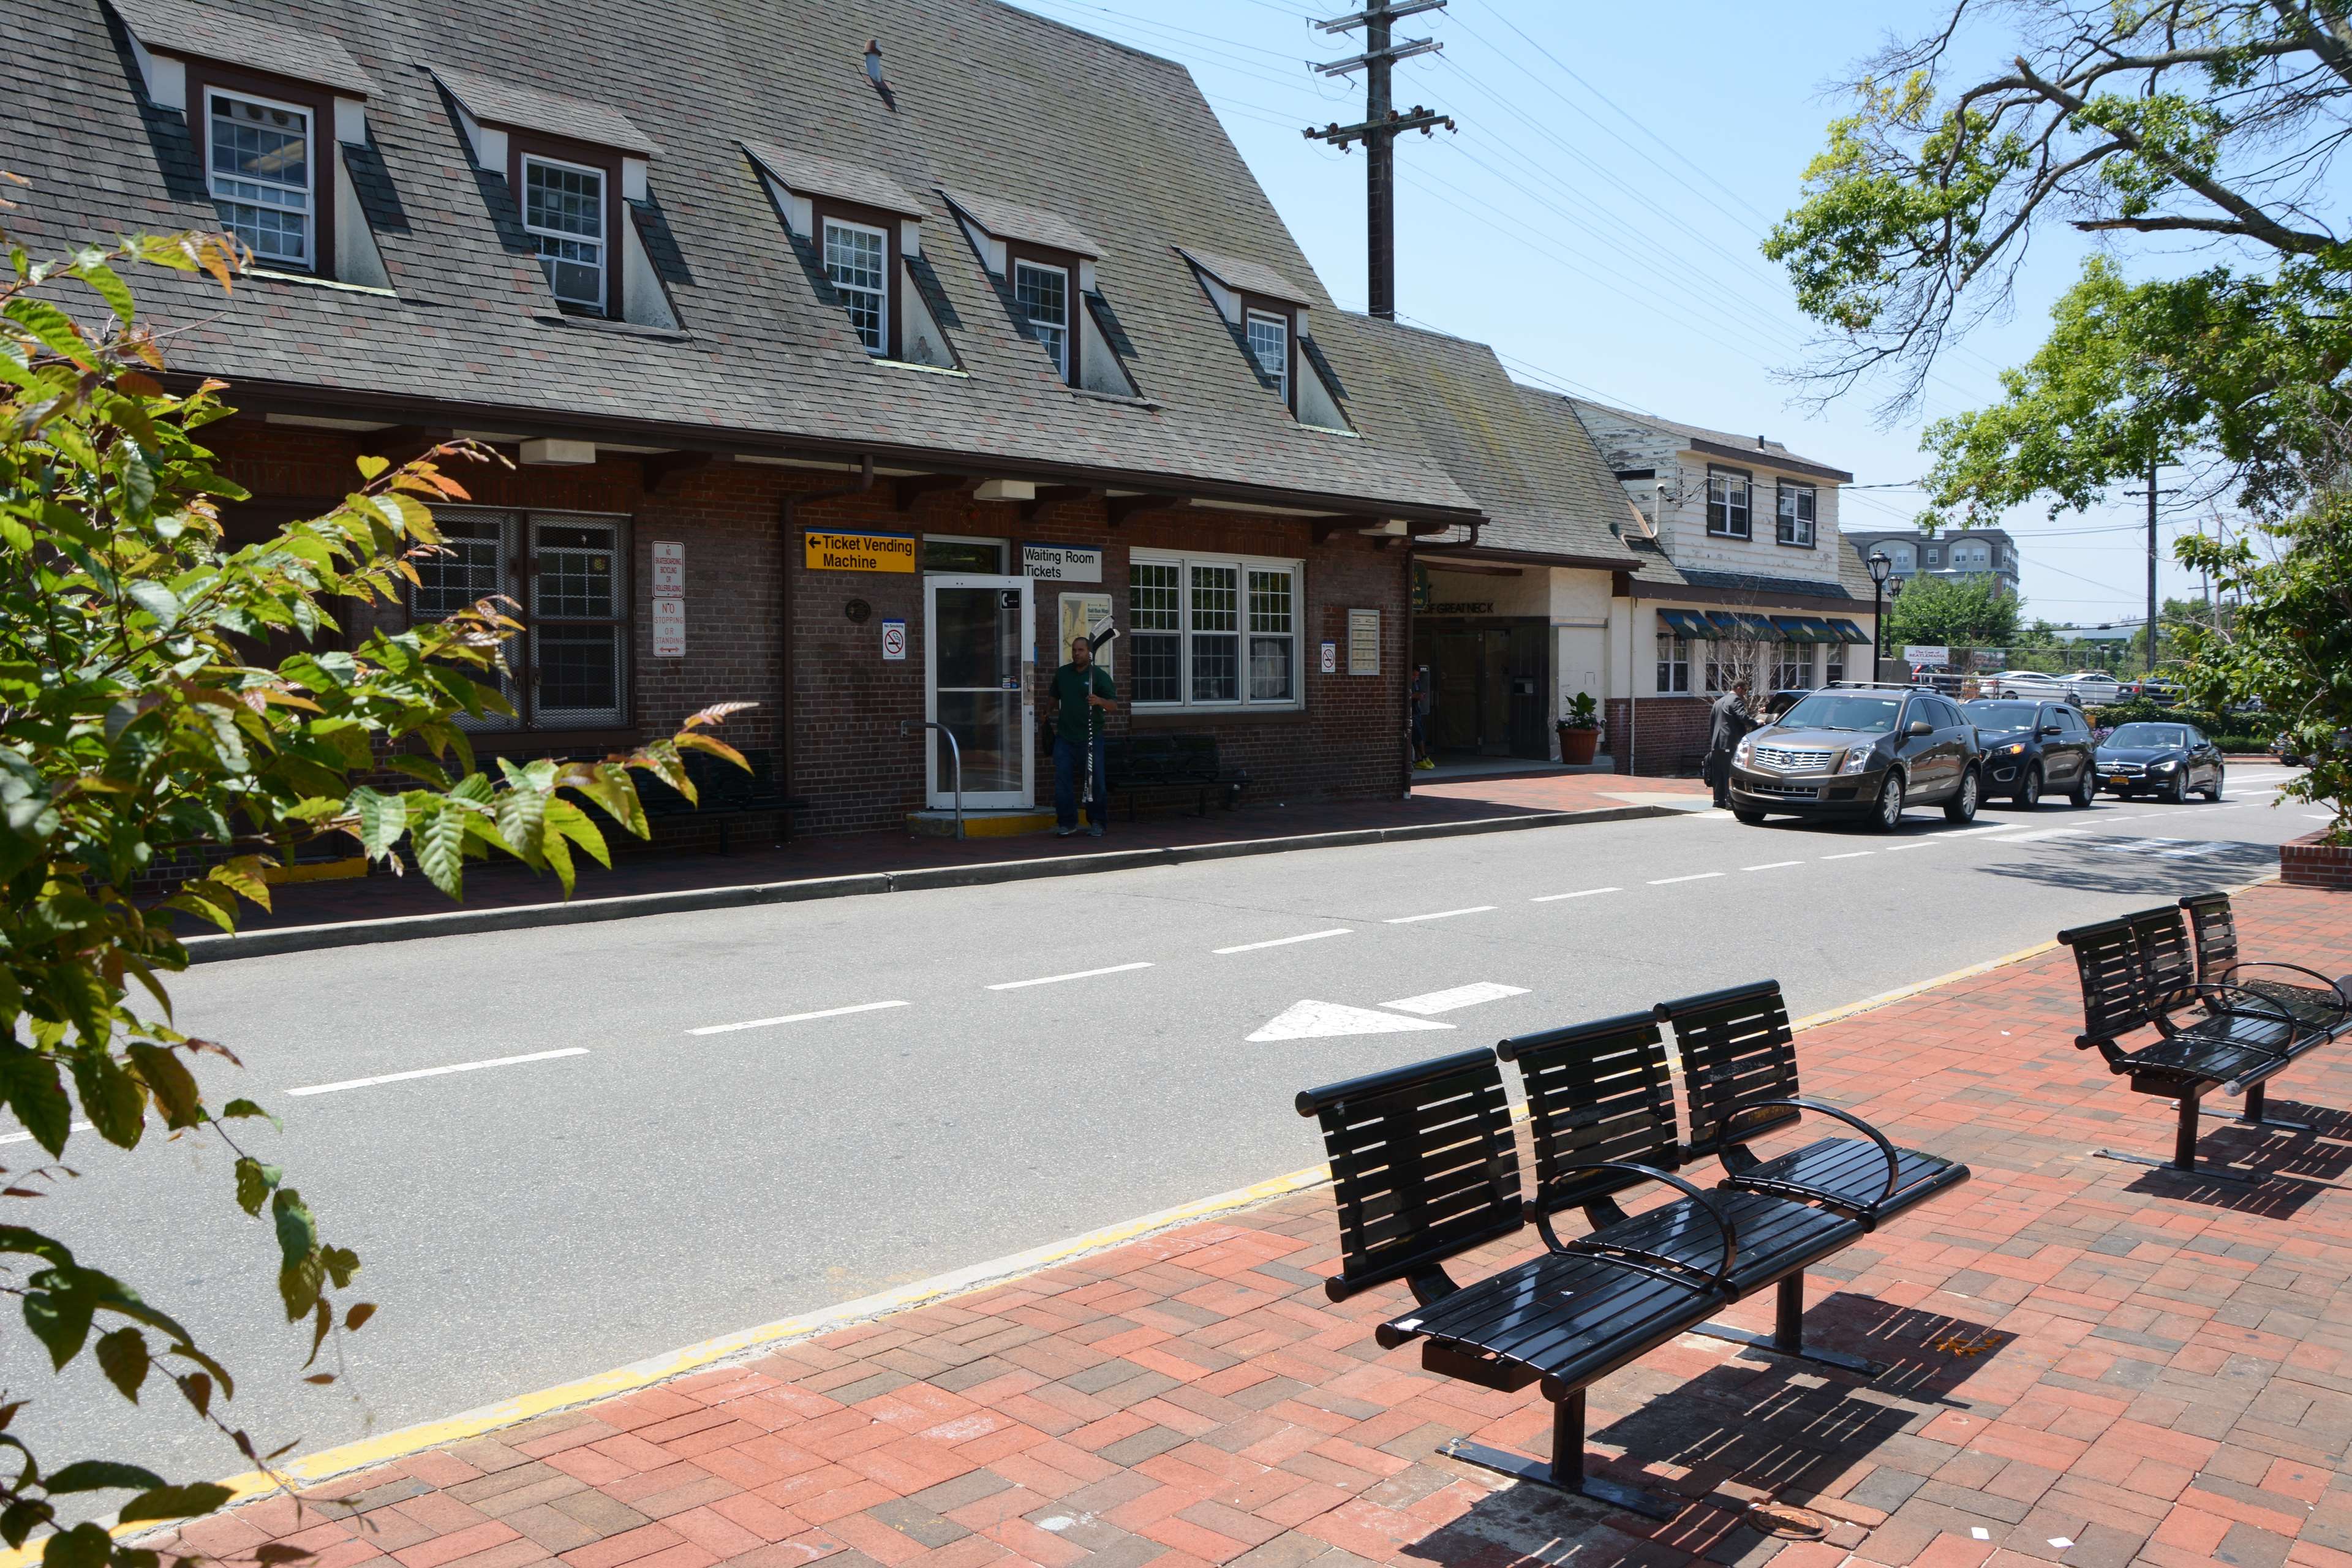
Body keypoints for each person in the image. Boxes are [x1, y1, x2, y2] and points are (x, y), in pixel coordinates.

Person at [1049, 633, 1115, 837]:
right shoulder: (1062, 674)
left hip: (1090, 736)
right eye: (1074, 650)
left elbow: (1114, 705)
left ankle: (1098, 822)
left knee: (1096, 782)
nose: (1076, 654)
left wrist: (1099, 701)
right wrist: (1045, 716)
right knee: (1062, 782)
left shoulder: (1098, 676)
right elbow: (1053, 698)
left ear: (1089, 653)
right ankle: (1067, 823)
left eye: (1081, 650)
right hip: (1065, 737)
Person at [1706, 677, 1754, 809]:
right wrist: (1756, 724)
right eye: (1745, 690)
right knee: (1730, 773)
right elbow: (1742, 717)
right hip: (1730, 742)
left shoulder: (1719, 702)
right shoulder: (1735, 700)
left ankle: (1718, 801)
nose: (1745, 693)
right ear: (1739, 689)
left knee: (1718, 773)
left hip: (1717, 743)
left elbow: (1712, 724)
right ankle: (1729, 802)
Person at [1411, 665, 1436, 769]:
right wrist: (1414, 696)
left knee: (1419, 735)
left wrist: (1421, 695)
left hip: (1417, 711)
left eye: (1417, 676)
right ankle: (1422, 757)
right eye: (1414, 675)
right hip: (1412, 713)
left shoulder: (1416, 683)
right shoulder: (1409, 683)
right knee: (1417, 736)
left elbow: (1420, 693)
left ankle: (1420, 758)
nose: (1415, 678)